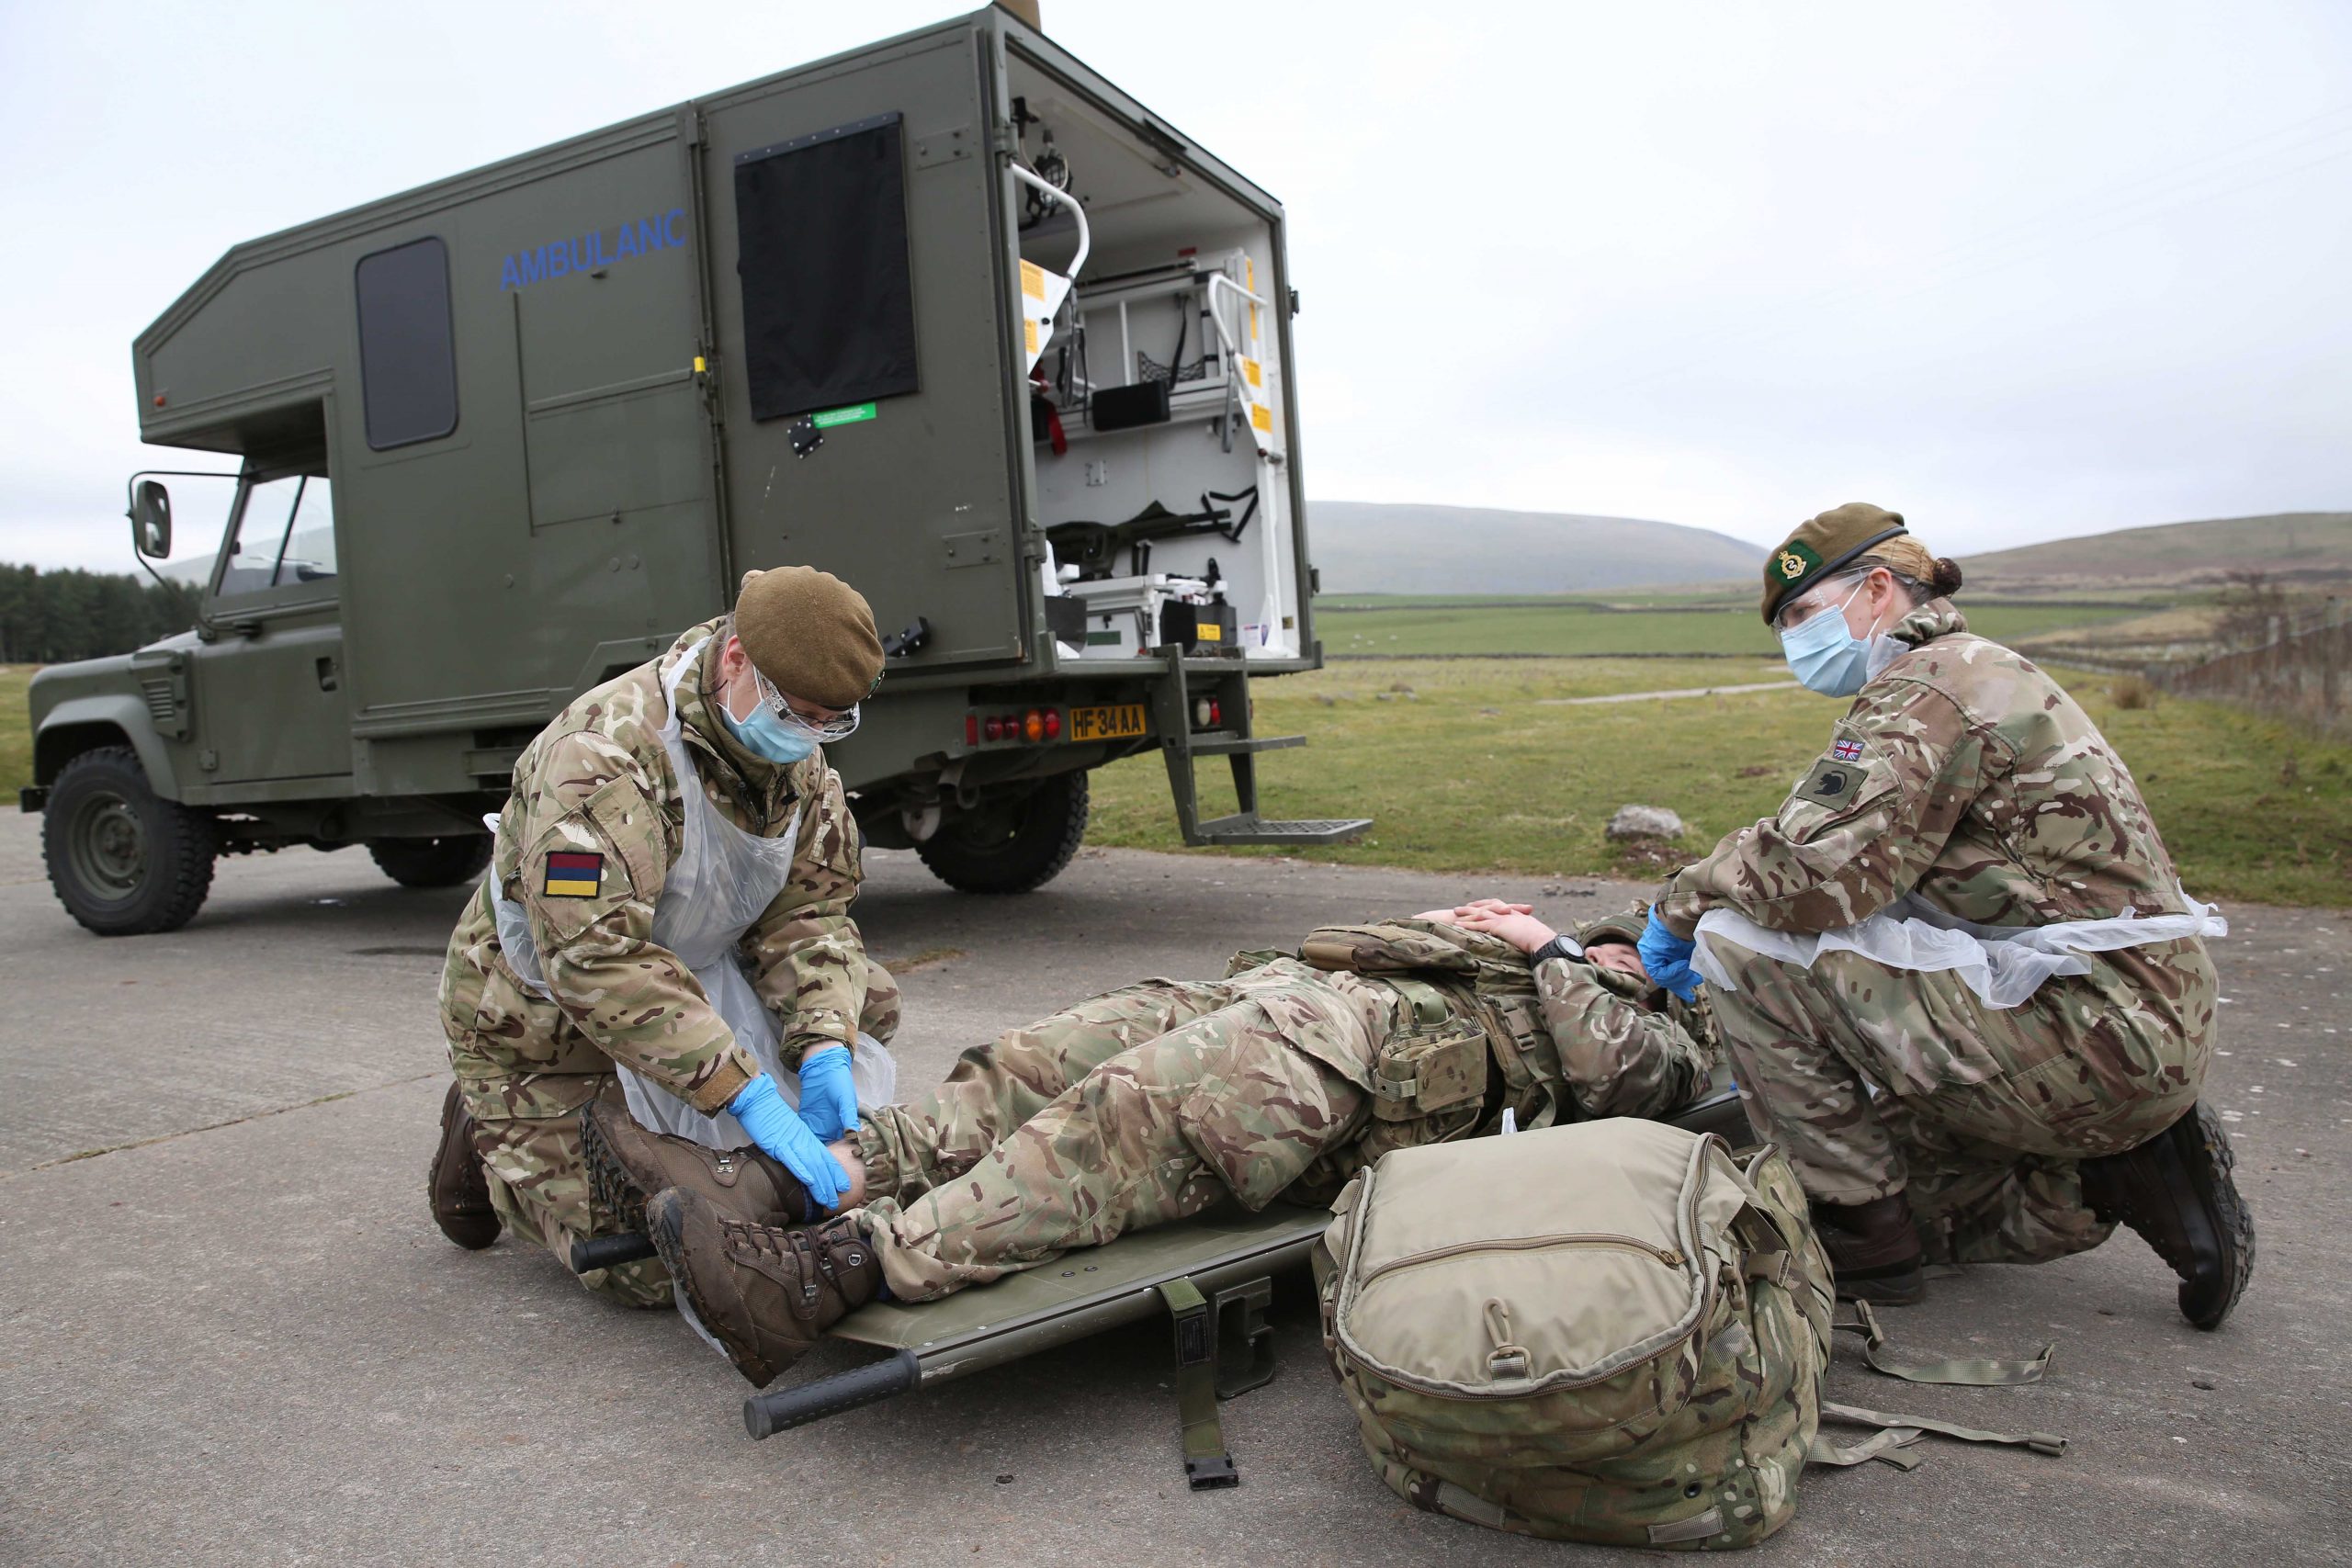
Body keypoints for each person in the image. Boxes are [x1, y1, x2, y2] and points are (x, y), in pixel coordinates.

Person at [586, 905, 1717, 1386]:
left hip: (1364, 1068)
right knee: (1033, 1061)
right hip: (1295, 995)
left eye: (1637, 955)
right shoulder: (1554, 960)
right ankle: (794, 1180)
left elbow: (1618, 1074)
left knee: (1121, 1121)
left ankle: (834, 1270)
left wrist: (1549, 944)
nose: (1625, 953)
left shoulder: (1666, 1036)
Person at [1634, 502, 2250, 1326]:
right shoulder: (1976, 667)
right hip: (2135, 1018)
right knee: (1912, 1169)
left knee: (1740, 947)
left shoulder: (1926, 692)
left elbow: (1805, 872)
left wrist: (1678, 905)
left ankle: (1864, 1239)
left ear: (1879, 588)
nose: (1793, 642)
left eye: (1803, 615)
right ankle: (2107, 1174)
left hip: (2095, 1032)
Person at [428, 567, 900, 1306]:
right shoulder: (600, 761)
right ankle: (491, 1136)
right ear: (737, 657)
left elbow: (811, 914)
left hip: (687, 980)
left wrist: (824, 1044)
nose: (808, 738)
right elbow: (597, 959)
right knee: (650, 1262)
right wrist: (745, 1094)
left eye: (828, 722)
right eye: (797, 714)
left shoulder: (790, 761)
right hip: (551, 1023)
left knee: (863, 1002)